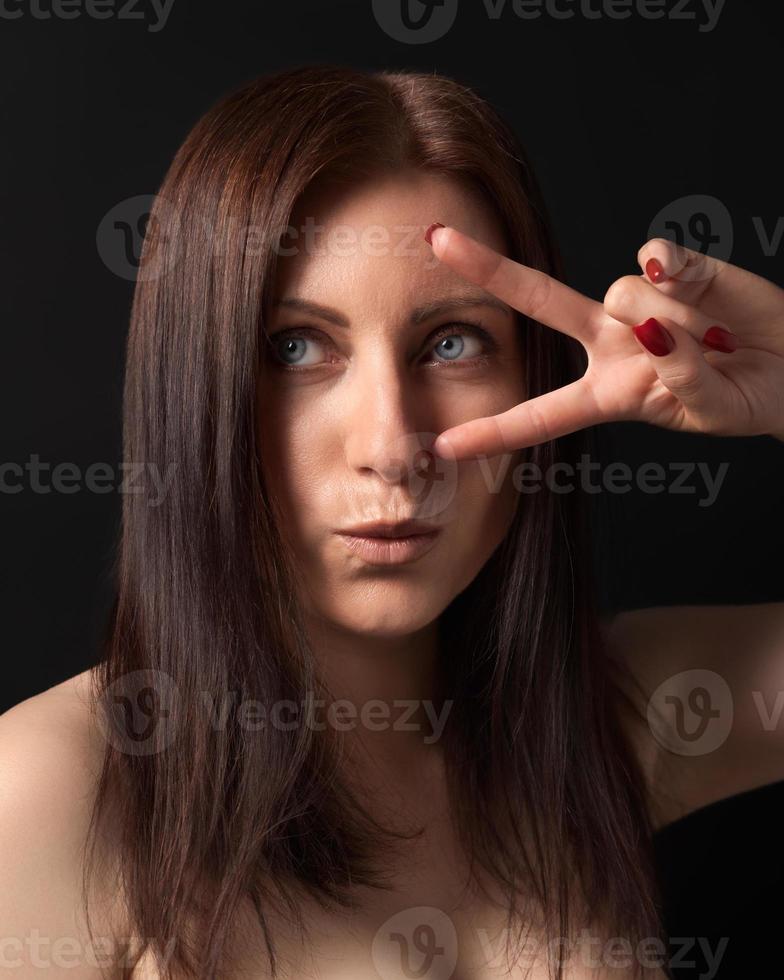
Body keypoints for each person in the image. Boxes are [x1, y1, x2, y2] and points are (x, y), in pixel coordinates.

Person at [1, 64, 782, 980]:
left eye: (452, 342)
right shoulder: (46, 798)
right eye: (296, 347)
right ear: (192, 388)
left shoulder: (615, 718)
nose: (392, 445)